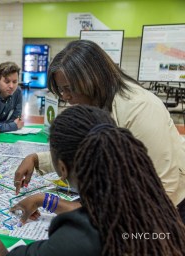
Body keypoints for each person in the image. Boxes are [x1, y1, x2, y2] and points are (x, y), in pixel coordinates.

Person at [0, 105, 185, 256]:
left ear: (63, 169)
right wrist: (44, 199)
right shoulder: (150, 202)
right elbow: (99, 214)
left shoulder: (78, 240)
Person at [14, 40, 185, 223]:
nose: (65, 97)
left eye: (68, 89)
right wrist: (38, 160)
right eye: (61, 90)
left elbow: (161, 190)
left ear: (92, 80)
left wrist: (52, 202)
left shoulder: (140, 108)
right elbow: (83, 151)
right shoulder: (95, 104)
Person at [0, 62, 24, 132]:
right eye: (7, 82)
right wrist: (12, 125)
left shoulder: (18, 91)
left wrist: (4, 125)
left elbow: (16, 120)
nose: (11, 86)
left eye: (15, 82)